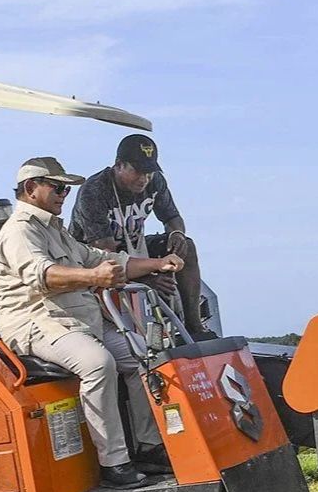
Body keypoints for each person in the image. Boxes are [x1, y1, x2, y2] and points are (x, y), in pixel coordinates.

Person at [0, 157, 184, 488]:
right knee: (98, 364)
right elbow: (43, 275)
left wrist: (158, 262)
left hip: (75, 322)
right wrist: (94, 276)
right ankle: (114, 463)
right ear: (30, 188)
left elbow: (106, 260)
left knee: (145, 354)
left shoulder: (55, 229)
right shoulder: (19, 231)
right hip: (38, 323)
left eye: (66, 189)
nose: (64, 194)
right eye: (57, 187)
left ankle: (149, 447)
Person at [69, 134, 216, 340]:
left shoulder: (154, 181)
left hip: (133, 248)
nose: (144, 179)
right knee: (124, 271)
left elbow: (172, 217)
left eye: (149, 172)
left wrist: (176, 235)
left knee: (187, 247)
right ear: (119, 165)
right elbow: (105, 252)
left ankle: (194, 326)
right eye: (138, 171)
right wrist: (148, 278)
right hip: (92, 258)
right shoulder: (94, 191)